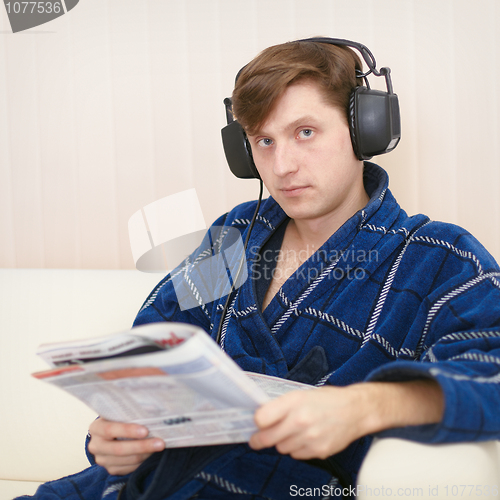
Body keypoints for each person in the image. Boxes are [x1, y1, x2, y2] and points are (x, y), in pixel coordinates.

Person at [25, 38, 500, 499]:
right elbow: (150, 359)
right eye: (263, 141)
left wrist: (363, 408)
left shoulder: (441, 257)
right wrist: (114, 438)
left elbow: (491, 376)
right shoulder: (231, 240)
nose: (283, 165)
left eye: (305, 132)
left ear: (364, 129)